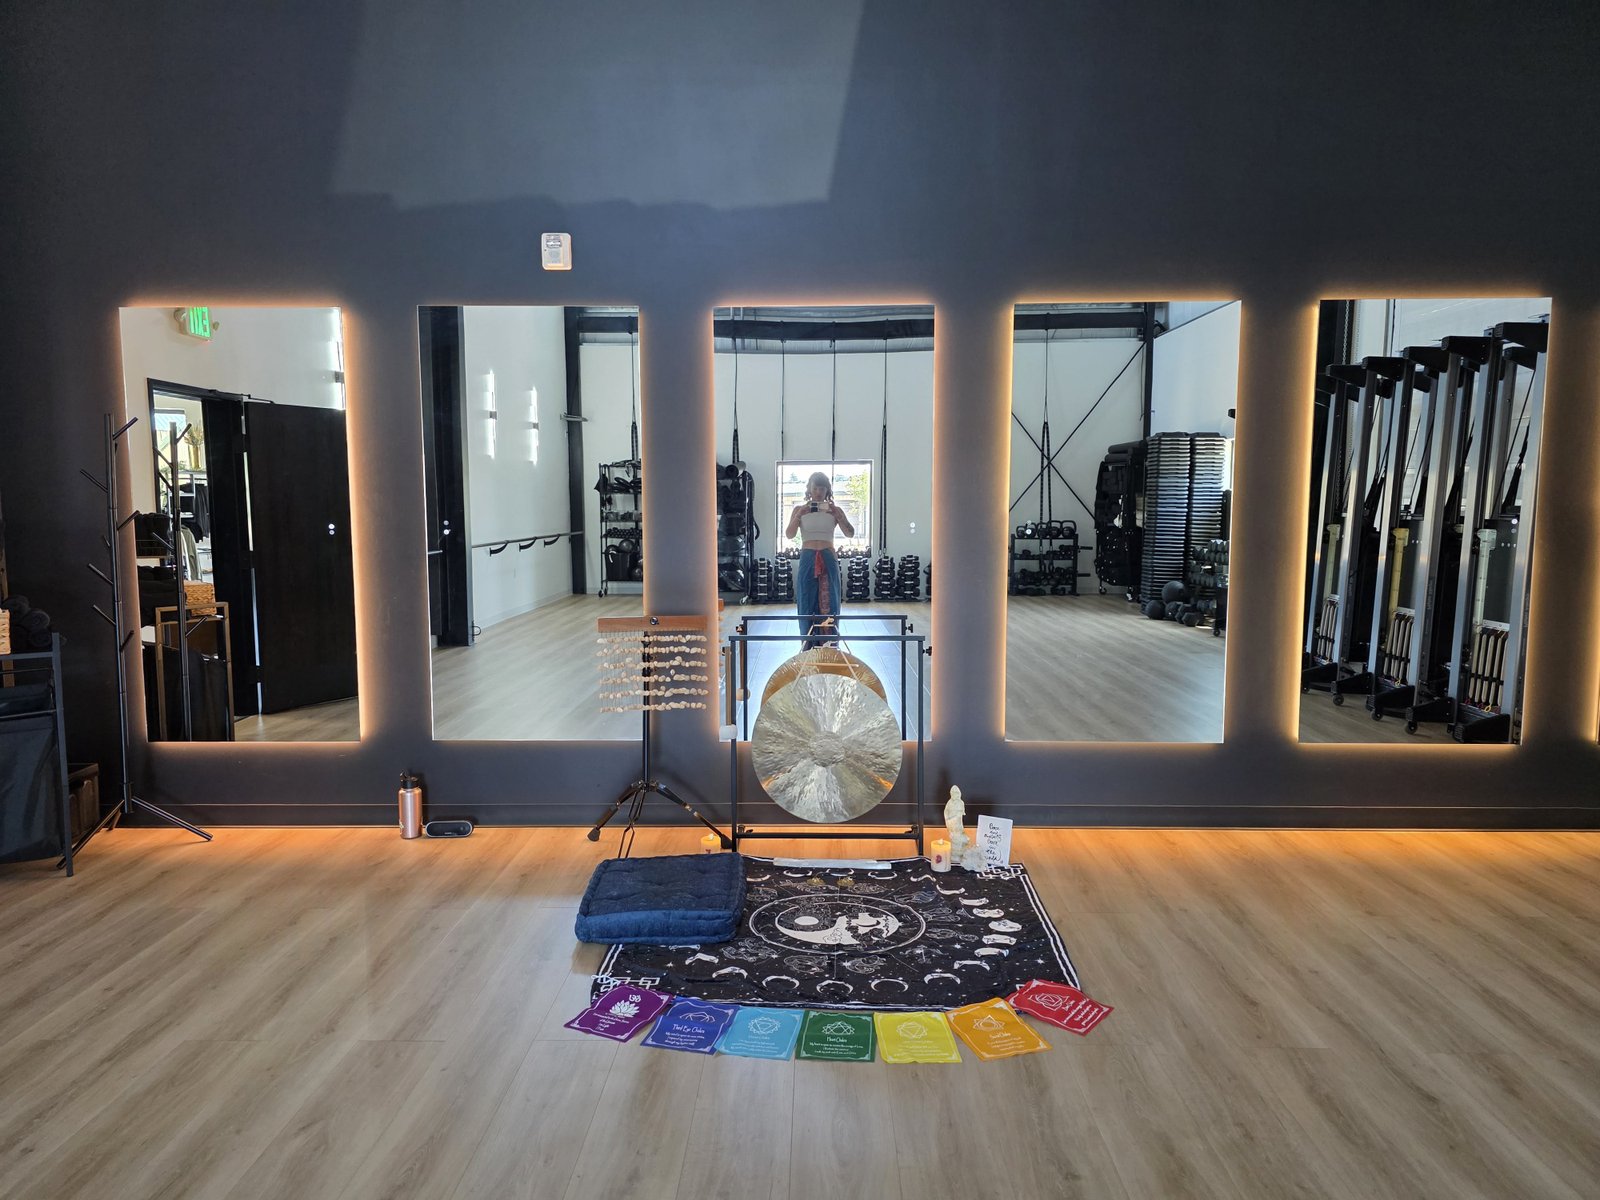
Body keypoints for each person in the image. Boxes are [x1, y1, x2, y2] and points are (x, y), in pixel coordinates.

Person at [785, 471, 853, 648]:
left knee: (830, 599)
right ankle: (807, 645)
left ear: (827, 490)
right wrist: (799, 515)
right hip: (808, 556)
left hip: (828, 556)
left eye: (822, 489)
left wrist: (839, 516)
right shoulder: (799, 510)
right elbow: (789, 535)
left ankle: (829, 645)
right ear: (809, 488)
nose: (818, 492)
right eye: (815, 488)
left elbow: (850, 533)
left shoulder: (835, 511)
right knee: (806, 599)